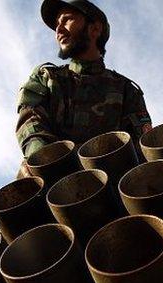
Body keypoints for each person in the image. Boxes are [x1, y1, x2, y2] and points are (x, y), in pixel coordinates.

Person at [15, 0, 152, 176]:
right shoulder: (47, 78)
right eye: (57, 24)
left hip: (110, 182)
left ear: (95, 29)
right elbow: (31, 124)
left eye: (67, 20)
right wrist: (47, 161)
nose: (59, 30)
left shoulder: (125, 89)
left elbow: (141, 145)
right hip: (50, 177)